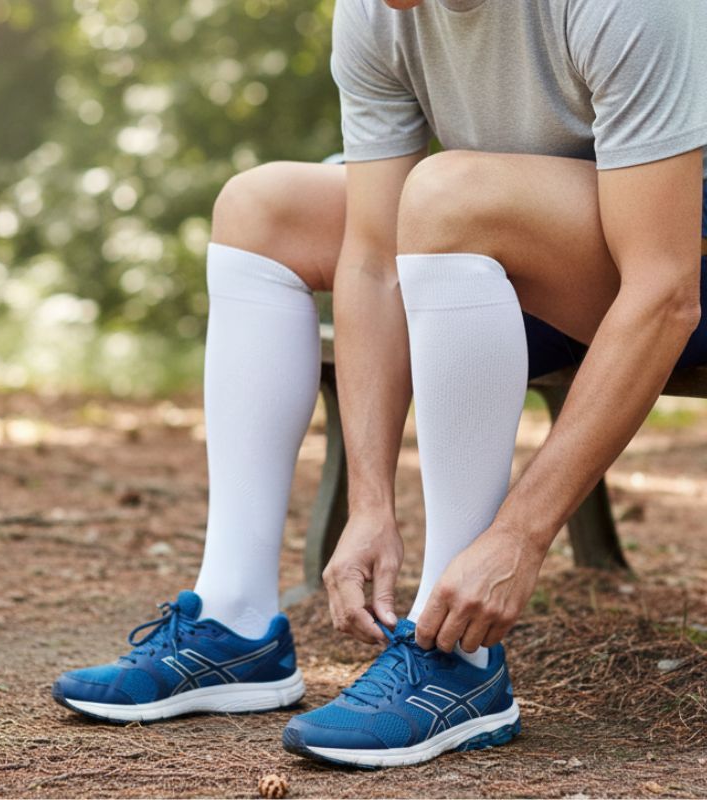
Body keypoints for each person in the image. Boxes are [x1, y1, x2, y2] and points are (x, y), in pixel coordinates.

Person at [52, 0, 707, 769]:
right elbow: (370, 258)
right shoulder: (377, 11)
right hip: (517, 267)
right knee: (263, 209)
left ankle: (455, 658)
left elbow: (666, 291)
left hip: (673, 274)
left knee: (444, 192)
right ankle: (235, 621)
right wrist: (370, 504)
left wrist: (519, 536)